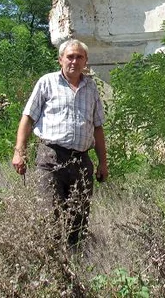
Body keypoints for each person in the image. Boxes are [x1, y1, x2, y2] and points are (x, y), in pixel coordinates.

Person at [12, 38, 108, 245]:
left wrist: (103, 163)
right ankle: (53, 267)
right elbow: (28, 117)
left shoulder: (91, 88)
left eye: (79, 57)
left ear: (86, 61)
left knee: (79, 217)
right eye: (70, 57)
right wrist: (19, 152)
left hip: (82, 161)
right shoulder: (47, 82)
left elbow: (98, 127)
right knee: (49, 215)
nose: (74, 61)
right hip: (51, 158)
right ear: (60, 60)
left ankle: (76, 264)